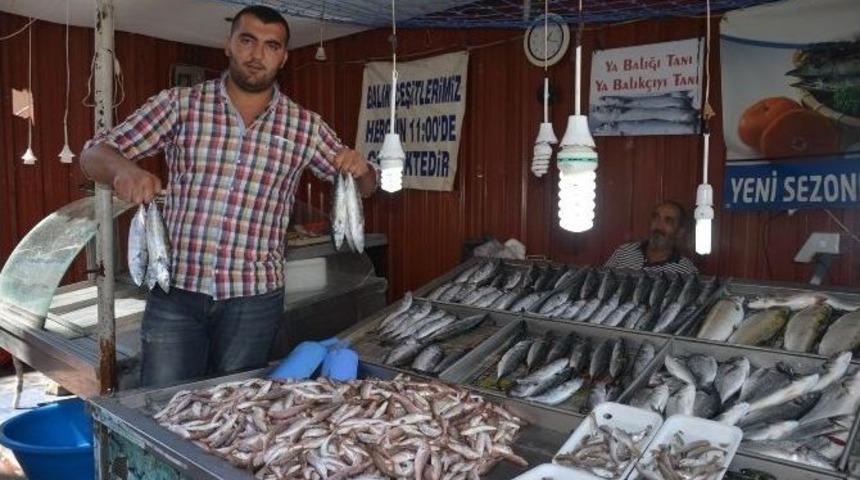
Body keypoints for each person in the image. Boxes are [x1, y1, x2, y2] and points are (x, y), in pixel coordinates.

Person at [80, 6, 377, 387]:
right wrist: (124, 170)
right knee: (163, 402)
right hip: (176, 291)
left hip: (254, 300)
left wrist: (361, 169)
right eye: (247, 41)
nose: (257, 54)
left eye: (271, 46)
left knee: (233, 406)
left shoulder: (305, 127)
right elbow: (93, 154)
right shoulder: (180, 104)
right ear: (229, 44)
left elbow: (365, 189)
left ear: (283, 57)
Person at [604, 201, 698, 275]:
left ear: (679, 232)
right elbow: (602, 284)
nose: (658, 226)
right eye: (656, 217)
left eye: (668, 221)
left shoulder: (686, 271)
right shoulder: (624, 252)